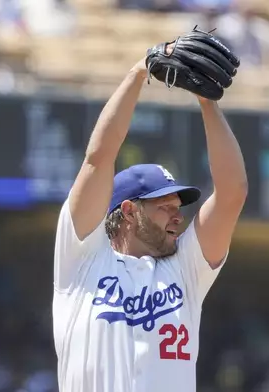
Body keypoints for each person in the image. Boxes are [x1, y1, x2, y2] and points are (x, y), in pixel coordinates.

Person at [52, 46, 248, 392]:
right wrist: (138, 72)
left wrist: (207, 102)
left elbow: (232, 193)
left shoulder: (185, 270)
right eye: (164, 206)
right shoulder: (82, 259)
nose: (177, 216)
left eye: (178, 207)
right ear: (129, 211)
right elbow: (99, 158)